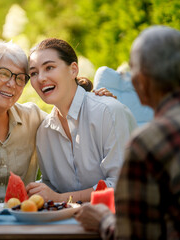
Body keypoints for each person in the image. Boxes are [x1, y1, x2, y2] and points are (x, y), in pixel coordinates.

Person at [0, 41, 113, 205]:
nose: (12, 84)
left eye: (20, 78)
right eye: (4, 74)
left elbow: (70, 115)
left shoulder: (34, 118)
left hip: (24, 222)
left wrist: (94, 98)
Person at [75, 25, 180, 239]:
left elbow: (135, 235)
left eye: (133, 70)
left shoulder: (148, 143)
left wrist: (104, 220)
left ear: (141, 81)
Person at [26, 38, 137, 203]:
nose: (41, 78)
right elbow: (51, 187)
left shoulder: (108, 111)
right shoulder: (44, 131)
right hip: (68, 223)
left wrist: (61, 198)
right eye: (33, 73)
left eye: (49, 67)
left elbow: (122, 185)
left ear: (73, 70)